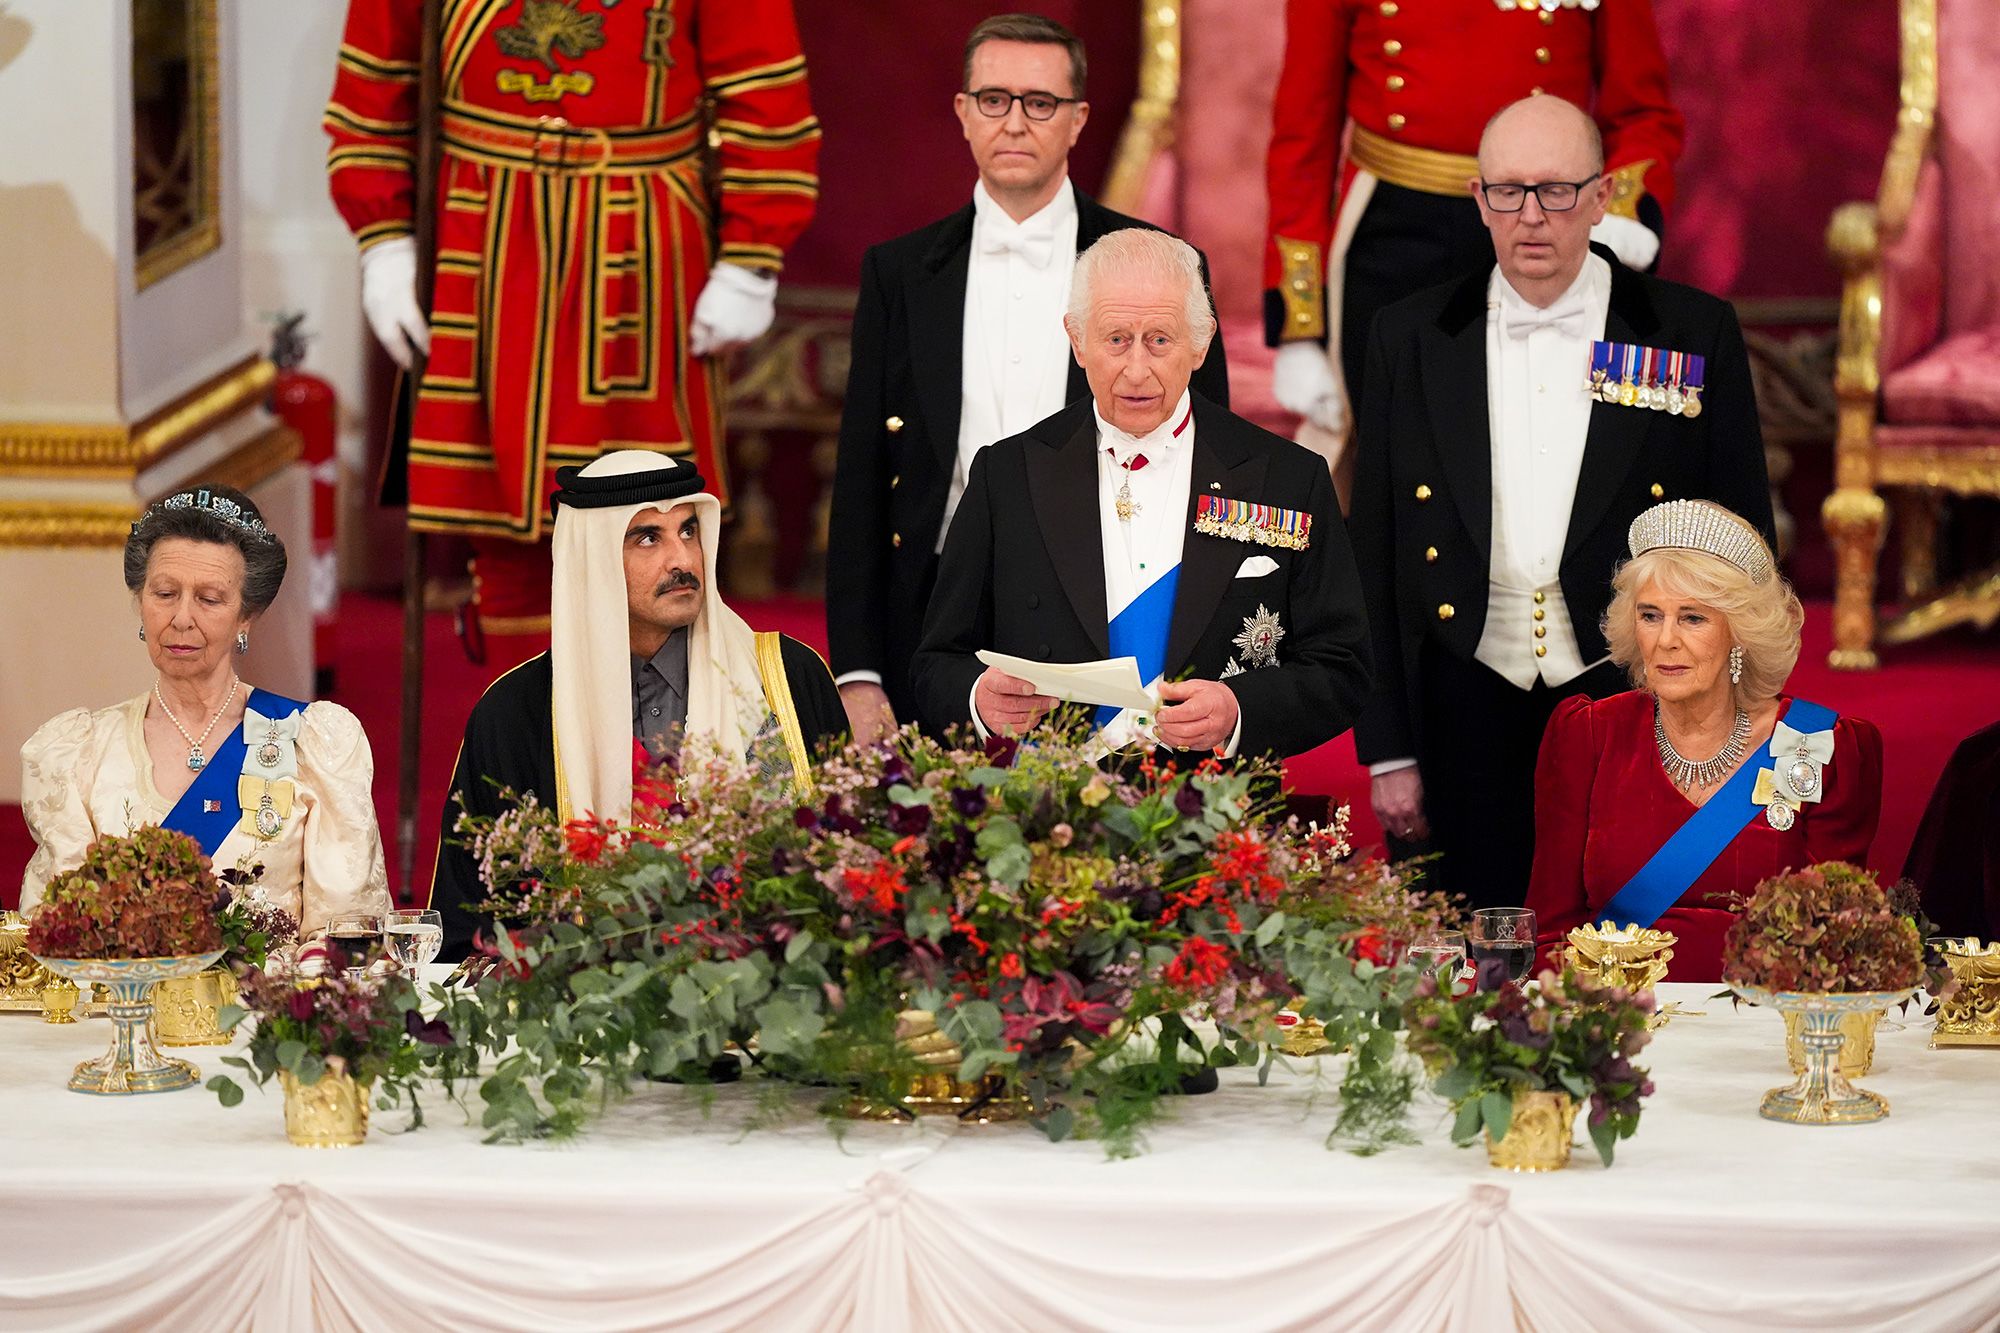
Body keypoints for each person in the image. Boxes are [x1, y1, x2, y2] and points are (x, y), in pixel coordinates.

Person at [1348, 94, 1772, 907]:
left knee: (1639, 941)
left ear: (1604, 196)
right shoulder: (1409, 334)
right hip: (1463, 694)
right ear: (1477, 199)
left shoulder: (1690, 332)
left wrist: (1736, 721)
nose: (1531, 216)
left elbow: (1744, 545)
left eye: (1557, 191)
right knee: (1478, 957)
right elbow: (1376, 548)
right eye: (1507, 191)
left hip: (1637, 691)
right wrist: (1387, 748)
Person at [326, 0, 819, 661]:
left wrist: (751, 259)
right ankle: (525, 756)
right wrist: (383, 241)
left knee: (652, 523)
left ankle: (647, 758)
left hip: (638, 248)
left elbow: (765, 92)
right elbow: (374, 90)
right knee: (500, 530)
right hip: (484, 244)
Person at [827, 13, 1230, 744]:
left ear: (1078, 120)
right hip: (933, 618)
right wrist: (857, 673)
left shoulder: (1164, 264)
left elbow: (1214, 465)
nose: (1015, 122)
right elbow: (862, 478)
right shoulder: (899, 272)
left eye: (1039, 103)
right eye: (994, 99)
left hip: (1113, 607)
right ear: (963, 112)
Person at [911, 227, 1369, 762]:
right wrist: (979, 699)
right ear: (1077, 341)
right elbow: (937, 661)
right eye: (1115, 339)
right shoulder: (1006, 476)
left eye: (1159, 339)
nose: (1136, 370)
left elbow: (1343, 667)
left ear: (1201, 344)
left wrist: (1238, 709)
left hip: (1216, 814)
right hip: (1047, 816)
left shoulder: (1289, 478)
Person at [432, 450, 846, 959]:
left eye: (689, 531)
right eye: (648, 537)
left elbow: (848, 878)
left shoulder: (786, 676)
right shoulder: (514, 713)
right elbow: (467, 931)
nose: (684, 560)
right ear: (594, 556)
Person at [1263, 0, 1681, 481]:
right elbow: (1302, 134)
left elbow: (1641, 112)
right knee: (1400, 470)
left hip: (1544, 223)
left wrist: (1623, 213)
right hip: (1390, 237)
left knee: (1551, 456)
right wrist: (1300, 329)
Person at [1526, 501, 1883, 982]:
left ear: (1740, 632)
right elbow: (1551, 933)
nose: (1665, 640)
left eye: (1693, 618)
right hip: (1619, 1023)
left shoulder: (1818, 747)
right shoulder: (1588, 734)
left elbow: (1836, 946)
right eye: (1651, 616)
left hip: (1761, 1026)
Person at [18, 486, 390, 940]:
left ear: (246, 617)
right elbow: (56, 934)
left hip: (262, 1005)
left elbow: (346, 935)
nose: (181, 618)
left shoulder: (311, 743)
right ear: (140, 602)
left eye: (210, 599)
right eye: (165, 593)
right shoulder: (81, 753)